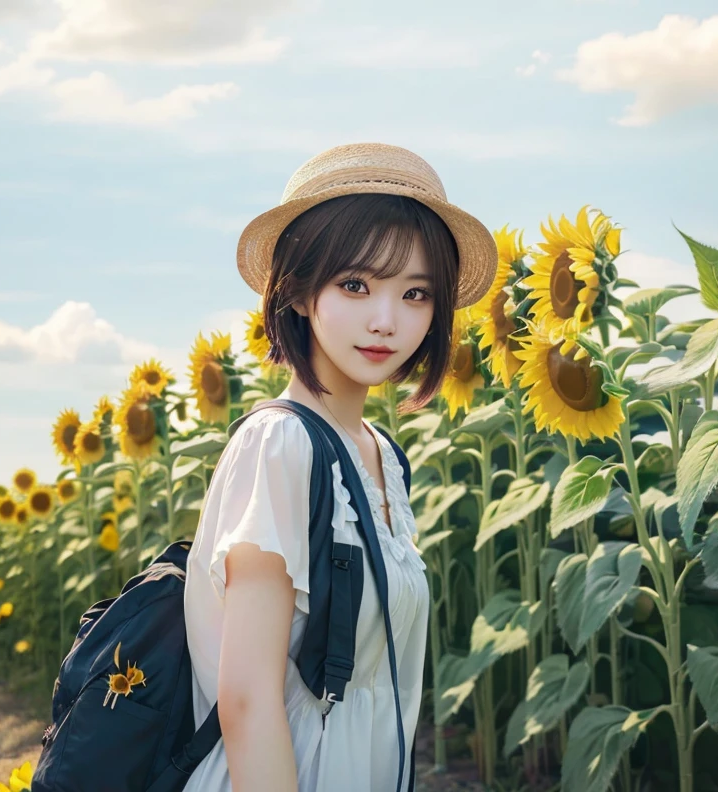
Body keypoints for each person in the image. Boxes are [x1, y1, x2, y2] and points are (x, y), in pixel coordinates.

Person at [182, 143, 497, 792]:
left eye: (416, 294)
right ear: (297, 291)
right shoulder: (281, 445)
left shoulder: (384, 455)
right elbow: (246, 701)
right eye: (356, 285)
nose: (387, 320)